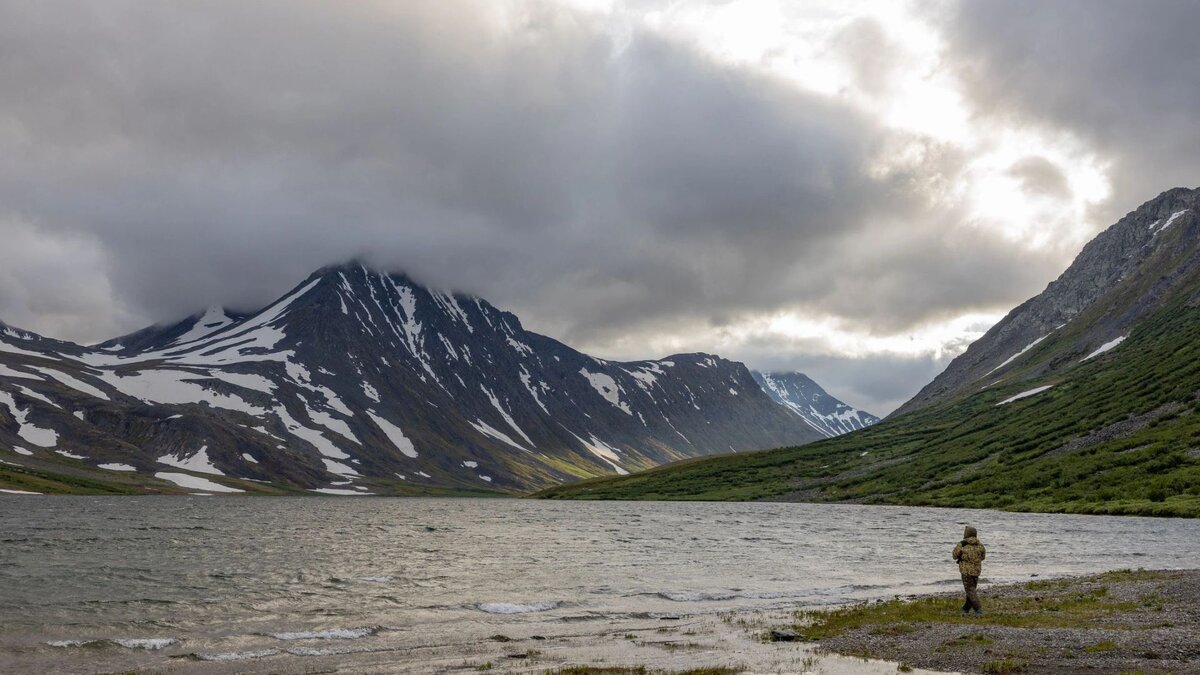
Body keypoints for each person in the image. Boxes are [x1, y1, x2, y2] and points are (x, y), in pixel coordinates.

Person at [952, 525, 986, 616]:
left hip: (966, 571)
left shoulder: (962, 544)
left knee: (970, 590)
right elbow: (983, 557)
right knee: (971, 590)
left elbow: (954, 556)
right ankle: (965, 609)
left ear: (966, 534)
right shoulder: (980, 545)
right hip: (977, 571)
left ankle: (978, 609)